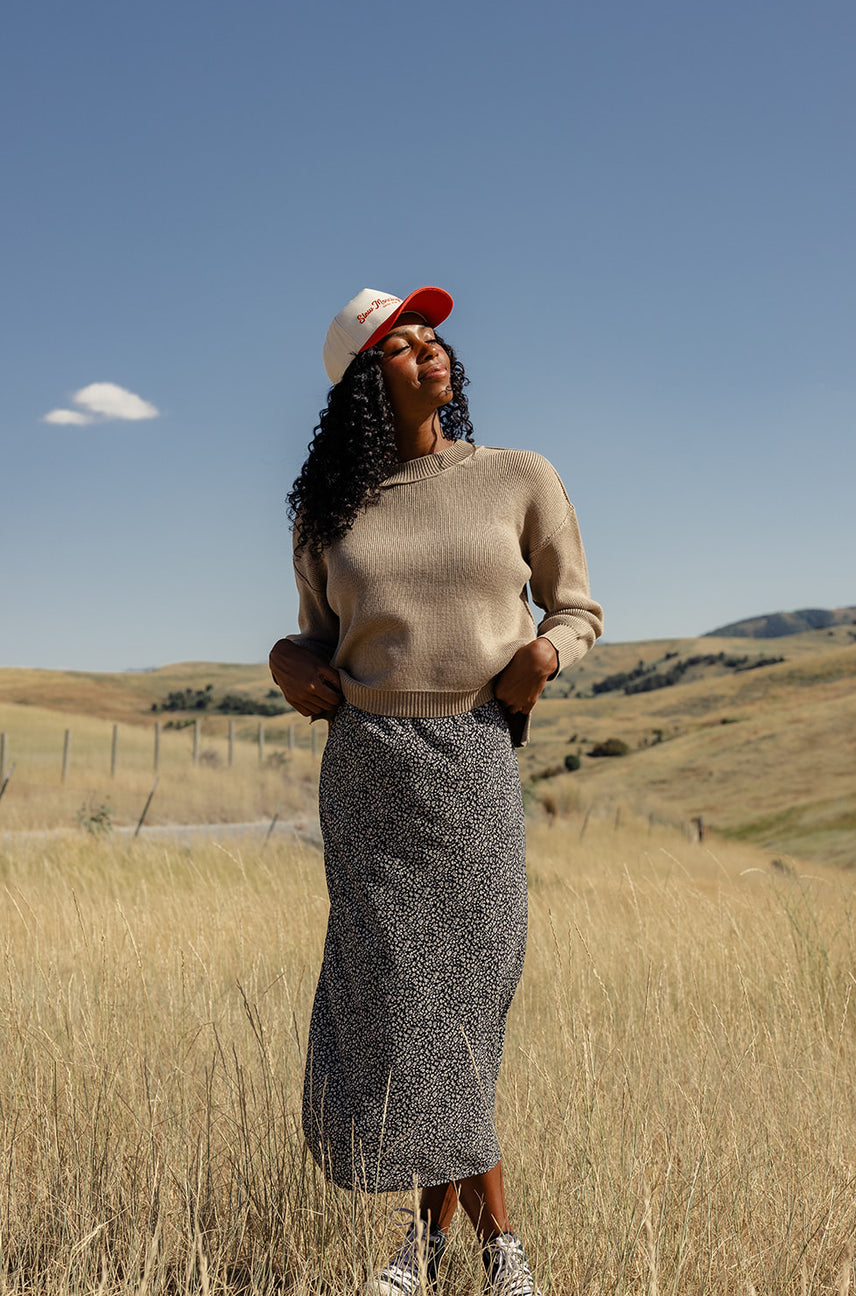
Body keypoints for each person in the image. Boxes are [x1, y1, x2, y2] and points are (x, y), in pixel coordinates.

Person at [269, 286, 603, 1296]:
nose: (428, 353)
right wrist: (286, 657)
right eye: (400, 346)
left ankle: (441, 1244)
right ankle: (484, 1244)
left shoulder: (516, 475)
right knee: (404, 1005)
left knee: (468, 1000)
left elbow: (577, 604)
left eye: (431, 338)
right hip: (369, 768)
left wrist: (542, 651)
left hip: (471, 756)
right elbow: (313, 638)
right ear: (366, 384)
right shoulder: (328, 510)